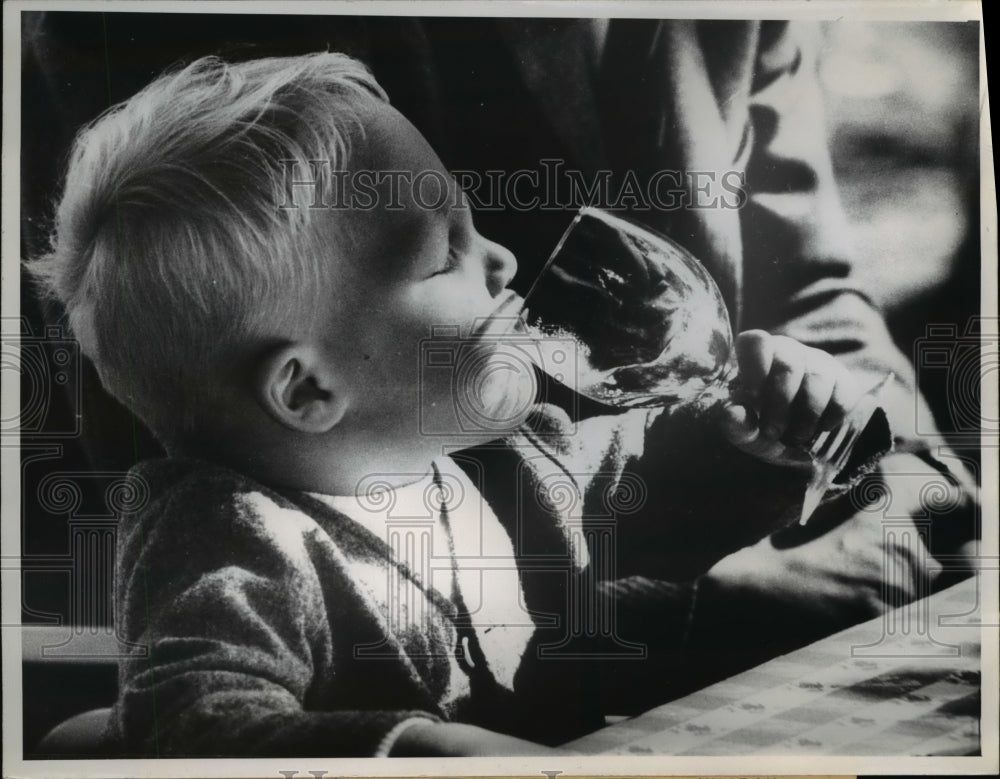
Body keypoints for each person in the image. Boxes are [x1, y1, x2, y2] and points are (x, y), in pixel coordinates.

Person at [28, 52, 886, 756]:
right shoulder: (231, 542)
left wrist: (762, 437)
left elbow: (657, 486)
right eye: (446, 256)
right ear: (309, 388)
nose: (505, 260)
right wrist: (412, 748)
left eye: (476, 225)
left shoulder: (499, 460)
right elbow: (181, 723)